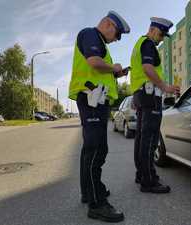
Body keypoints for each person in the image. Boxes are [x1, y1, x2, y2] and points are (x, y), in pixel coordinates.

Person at [68, 11, 130, 222]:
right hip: (91, 97)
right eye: (117, 34)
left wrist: (117, 73)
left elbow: (98, 68)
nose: (116, 39)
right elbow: (94, 62)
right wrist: (113, 67)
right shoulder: (91, 34)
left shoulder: (98, 41)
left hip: (95, 99)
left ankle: (90, 192)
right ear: (108, 24)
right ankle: (97, 204)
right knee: (96, 149)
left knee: (90, 149)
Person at [130, 17, 180, 193]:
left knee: (142, 138)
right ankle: (149, 181)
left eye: (163, 35)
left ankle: (141, 174)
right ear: (151, 30)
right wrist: (165, 86)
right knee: (150, 138)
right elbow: (147, 68)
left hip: (140, 94)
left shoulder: (139, 44)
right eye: (160, 34)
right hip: (150, 94)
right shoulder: (148, 44)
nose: (160, 38)